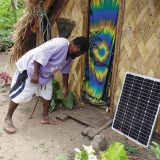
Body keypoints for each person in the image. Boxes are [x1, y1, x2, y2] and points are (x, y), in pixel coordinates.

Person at [4, 36, 89, 133]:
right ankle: (8, 118)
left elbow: (65, 71)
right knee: (21, 94)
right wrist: (35, 74)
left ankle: (45, 118)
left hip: (45, 73)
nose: (80, 55)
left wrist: (65, 87)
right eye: (81, 53)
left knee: (47, 93)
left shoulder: (70, 55)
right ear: (77, 47)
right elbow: (40, 53)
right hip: (30, 69)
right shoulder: (60, 44)